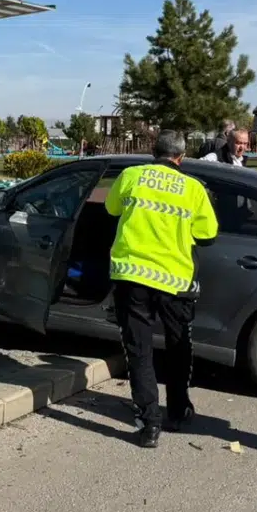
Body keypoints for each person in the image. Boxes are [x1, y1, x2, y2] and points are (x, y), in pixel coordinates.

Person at [105, 130, 219, 448]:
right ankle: (179, 411)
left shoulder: (130, 175)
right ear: (181, 157)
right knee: (178, 345)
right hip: (175, 281)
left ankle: (149, 424)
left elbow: (112, 210)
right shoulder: (194, 188)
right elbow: (208, 233)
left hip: (131, 276)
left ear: (152, 152)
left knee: (138, 351)